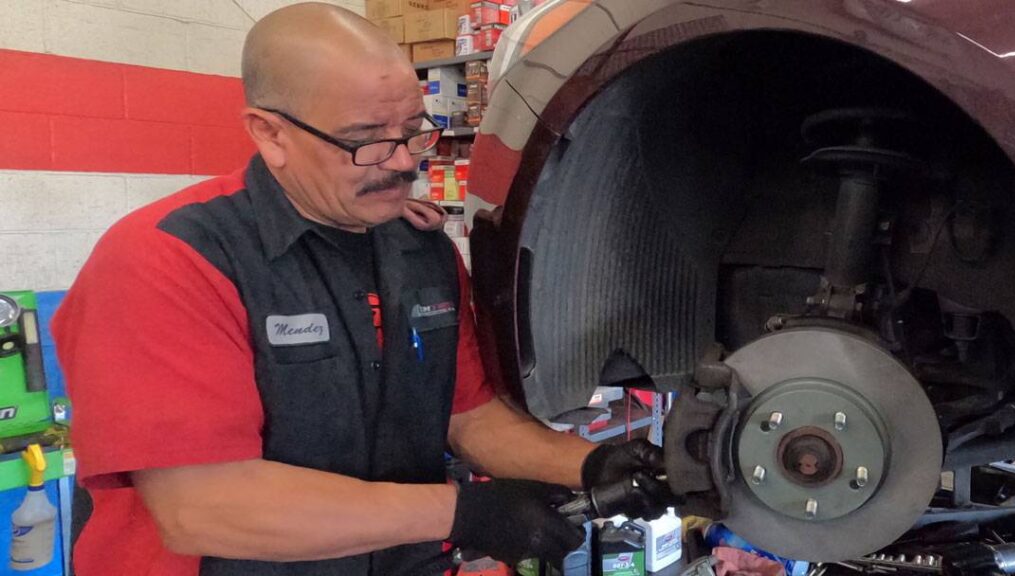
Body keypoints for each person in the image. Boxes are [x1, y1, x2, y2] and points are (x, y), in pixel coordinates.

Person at [51, 3, 672, 575]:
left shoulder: (419, 248)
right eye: (368, 139)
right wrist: (460, 512)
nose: (403, 162)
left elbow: (468, 415)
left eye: (412, 131)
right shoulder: (168, 259)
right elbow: (204, 508)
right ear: (270, 133)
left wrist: (589, 463)